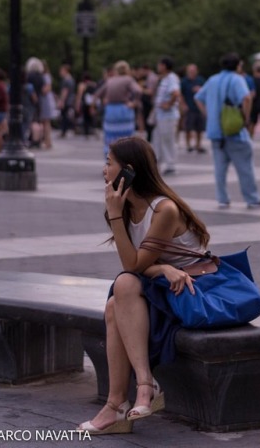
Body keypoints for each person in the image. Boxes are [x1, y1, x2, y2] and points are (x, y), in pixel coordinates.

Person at [78, 136, 211, 435]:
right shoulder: (127, 206)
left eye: (108, 163)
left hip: (191, 290)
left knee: (123, 286)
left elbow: (133, 267)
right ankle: (118, 404)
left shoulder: (165, 210)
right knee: (116, 301)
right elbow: (137, 266)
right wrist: (162, 267)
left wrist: (114, 214)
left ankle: (138, 390)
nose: (103, 170)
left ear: (128, 170)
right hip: (161, 286)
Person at [195, 52, 260, 209]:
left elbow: (198, 97)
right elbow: (247, 98)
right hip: (234, 130)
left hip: (215, 131)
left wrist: (209, 114)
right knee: (245, 167)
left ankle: (222, 198)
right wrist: (246, 117)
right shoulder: (237, 79)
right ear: (237, 65)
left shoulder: (212, 79)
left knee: (220, 169)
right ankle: (252, 198)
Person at [94, 61, 141, 157]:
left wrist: (100, 103)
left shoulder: (110, 80)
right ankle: (126, 161)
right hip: (124, 109)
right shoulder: (128, 79)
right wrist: (134, 103)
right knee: (126, 139)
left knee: (110, 138)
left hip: (110, 110)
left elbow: (97, 94)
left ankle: (110, 161)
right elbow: (138, 90)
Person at [152, 57, 180, 175]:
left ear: (164, 66)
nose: (158, 67)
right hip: (161, 116)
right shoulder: (165, 79)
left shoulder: (171, 78)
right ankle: (158, 161)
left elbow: (175, 92)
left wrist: (168, 104)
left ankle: (171, 164)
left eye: (159, 64)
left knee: (168, 139)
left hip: (168, 116)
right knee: (158, 138)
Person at [180, 63, 206, 153]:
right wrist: (183, 105)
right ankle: (188, 144)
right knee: (188, 127)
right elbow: (180, 94)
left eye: (193, 71)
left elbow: (206, 91)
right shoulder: (184, 81)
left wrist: (200, 89)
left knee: (200, 128)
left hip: (199, 107)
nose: (192, 72)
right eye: (190, 71)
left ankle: (198, 144)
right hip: (189, 106)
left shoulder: (200, 80)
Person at [39, 60, 58, 149]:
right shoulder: (46, 76)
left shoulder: (45, 76)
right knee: (46, 122)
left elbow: (47, 88)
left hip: (45, 101)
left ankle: (47, 141)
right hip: (45, 100)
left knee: (46, 122)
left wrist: (40, 90)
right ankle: (47, 141)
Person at [75, 72, 97, 139]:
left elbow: (79, 95)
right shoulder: (94, 84)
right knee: (92, 118)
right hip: (92, 103)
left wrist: (77, 105)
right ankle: (94, 130)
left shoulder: (82, 85)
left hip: (85, 104)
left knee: (85, 119)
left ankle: (86, 132)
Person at [57, 64, 76, 138]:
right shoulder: (71, 79)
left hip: (66, 100)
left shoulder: (66, 80)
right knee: (66, 116)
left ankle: (64, 131)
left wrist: (61, 101)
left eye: (61, 71)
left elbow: (65, 91)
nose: (60, 72)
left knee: (64, 116)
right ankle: (66, 130)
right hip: (70, 100)